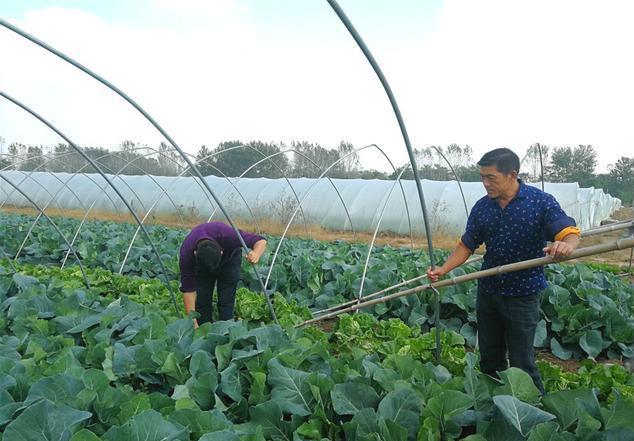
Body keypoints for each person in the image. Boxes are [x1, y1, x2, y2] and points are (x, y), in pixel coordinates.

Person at [427, 148, 580, 394]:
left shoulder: (539, 202)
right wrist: (443, 269)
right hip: (489, 291)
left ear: (512, 175)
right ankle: (491, 403)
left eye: (491, 177)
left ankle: (533, 410)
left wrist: (565, 245)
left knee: (522, 360)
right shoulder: (482, 207)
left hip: (522, 294)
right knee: (490, 356)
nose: (485, 183)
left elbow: (568, 232)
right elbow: (467, 244)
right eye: (482, 177)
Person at [179, 222, 267, 327]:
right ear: (195, 254)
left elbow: (260, 241)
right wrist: (192, 321)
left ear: (221, 251)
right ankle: (203, 329)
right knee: (202, 298)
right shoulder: (187, 252)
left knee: (226, 299)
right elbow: (188, 290)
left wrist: (256, 253)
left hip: (230, 262)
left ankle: (226, 329)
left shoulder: (229, 235)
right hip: (203, 266)